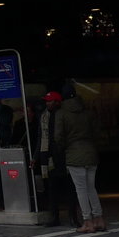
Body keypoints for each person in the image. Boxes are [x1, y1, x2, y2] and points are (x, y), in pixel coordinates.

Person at [56, 87, 104, 232]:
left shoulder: (61, 114)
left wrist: (65, 148)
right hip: (90, 152)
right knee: (91, 188)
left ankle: (87, 222)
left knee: (81, 190)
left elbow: (58, 137)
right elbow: (97, 132)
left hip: (74, 154)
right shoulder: (88, 112)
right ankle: (99, 219)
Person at [36, 91, 77, 227]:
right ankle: (55, 216)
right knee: (52, 187)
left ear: (58, 102)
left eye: (50, 101)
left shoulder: (64, 115)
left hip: (64, 153)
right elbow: (40, 137)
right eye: (47, 101)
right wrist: (37, 156)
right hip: (49, 155)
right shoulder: (44, 116)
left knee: (69, 187)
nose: (48, 103)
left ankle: (73, 216)